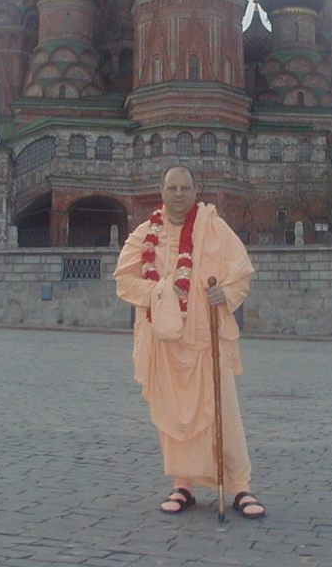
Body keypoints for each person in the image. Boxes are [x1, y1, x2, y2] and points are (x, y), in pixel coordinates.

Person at [114, 166, 265, 519]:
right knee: (174, 418)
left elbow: (240, 272)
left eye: (185, 188)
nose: (179, 194)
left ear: (196, 190)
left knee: (224, 412)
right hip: (166, 342)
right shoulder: (144, 233)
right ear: (162, 191)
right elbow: (125, 282)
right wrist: (162, 292)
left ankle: (240, 487)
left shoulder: (214, 228)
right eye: (173, 188)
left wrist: (225, 292)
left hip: (206, 338)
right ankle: (182, 484)